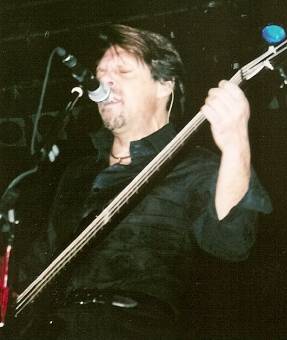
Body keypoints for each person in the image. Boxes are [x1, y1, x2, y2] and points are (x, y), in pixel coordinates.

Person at [14, 24, 272, 339]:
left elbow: (232, 242)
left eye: (122, 71)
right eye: (100, 73)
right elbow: (36, 266)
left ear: (165, 84)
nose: (103, 81)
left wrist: (235, 144)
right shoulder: (77, 173)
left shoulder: (193, 166)